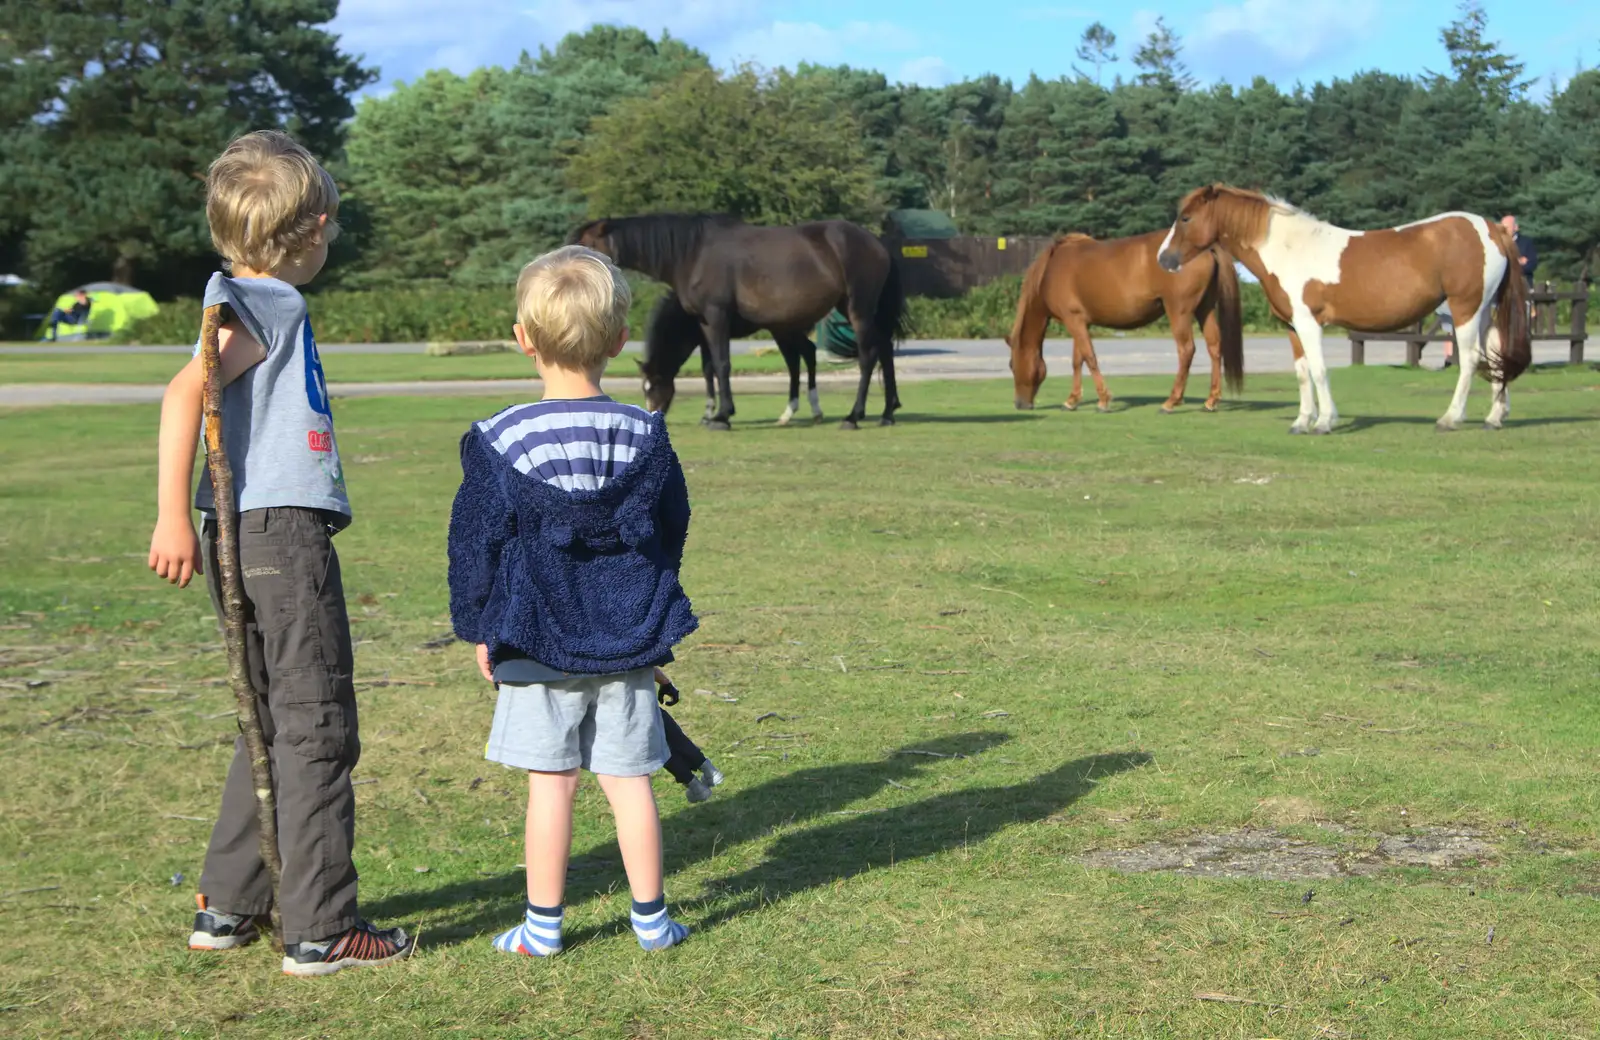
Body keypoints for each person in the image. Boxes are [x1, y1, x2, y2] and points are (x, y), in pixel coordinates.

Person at [146, 130, 413, 976]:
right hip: (279, 534)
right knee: (316, 724)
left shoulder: (229, 291)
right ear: (315, 228)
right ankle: (323, 927)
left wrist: (188, 518)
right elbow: (186, 390)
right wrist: (169, 517)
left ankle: (229, 903)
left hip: (241, 529)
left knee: (266, 719)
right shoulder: (275, 302)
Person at [448, 245, 700, 958]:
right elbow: (672, 528)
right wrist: (648, 607)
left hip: (534, 634)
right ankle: (653, 921)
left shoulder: (500, 439)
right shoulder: (647, 434)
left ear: (524, 340)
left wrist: (478, 626)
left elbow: (475, 545)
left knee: (550, 788)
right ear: (620, 341)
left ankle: (543, 927)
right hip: (627, 638)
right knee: (630, 784)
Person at [654, 667, 724, 802]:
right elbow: (645, 662)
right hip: (645, 702)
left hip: (620, 712)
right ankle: (709, 770)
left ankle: (695, 787)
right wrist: (665, 683)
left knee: (659, 748)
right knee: (674, 736)